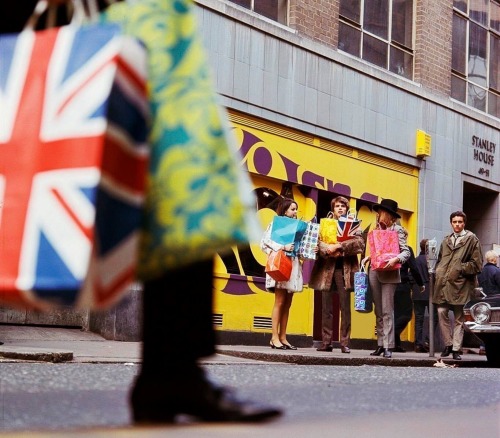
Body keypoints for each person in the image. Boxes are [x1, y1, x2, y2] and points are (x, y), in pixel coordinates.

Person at [2, 0, 281, 424]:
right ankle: (173, 373)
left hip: (146, 23)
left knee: (183, 183)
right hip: (101, 19)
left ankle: (173, 372)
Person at [309, 196, 365, 353]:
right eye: (337, 206)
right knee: (326, 307)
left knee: (345, 307)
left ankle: (344, 342)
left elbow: (360, 243)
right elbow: (316, 241)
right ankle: (326, 342)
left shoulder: (354, 225)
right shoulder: (326, 224)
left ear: (347, 208)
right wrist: (327, 248)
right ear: (333, 209)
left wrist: (340, 246)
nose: (340, 208)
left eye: (343, 206)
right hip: (326, 269)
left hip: (344, 270)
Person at [433, 211, 483, 361]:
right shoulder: (446, 240)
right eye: (454, 222)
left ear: (464, 223)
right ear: (451, 223)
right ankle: (448, 344)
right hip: (443, 284)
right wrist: (439, 271)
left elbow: (477, 265)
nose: (457, 224)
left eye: (460, 222)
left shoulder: (472, 239)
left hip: (461, 286)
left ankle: (456, 348)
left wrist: (459, 268)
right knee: (441, 311)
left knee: (460, 318)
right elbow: (441, 259)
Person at [365, 199, 410, 359]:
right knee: (378, 310)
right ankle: (379, 344)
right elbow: (378, 251)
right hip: (374, 271)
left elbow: (406, 252)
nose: (378, 215)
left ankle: (388, 346)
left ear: (388, 215)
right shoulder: (376, 229)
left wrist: (396, 260)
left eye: (380, 212)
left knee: (387, 309)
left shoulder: (398, 230)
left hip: (390, 272)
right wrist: (368, 258)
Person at [260, 198, 306, 350]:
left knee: (288, 303)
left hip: (293, 265)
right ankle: (274, 338)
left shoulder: (299, 227)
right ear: (285, 210)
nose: (295, 212)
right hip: (281, 264)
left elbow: (300, 247)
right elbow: (264, 243)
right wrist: (283, 247)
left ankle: (283, 337)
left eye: (296, 209)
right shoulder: (275, 224)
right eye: (293, 209)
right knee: (279, 301)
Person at [393, 245, 424, 352]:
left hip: (387, 284)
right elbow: (414, 268)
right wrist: (420, 283)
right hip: (401, 285)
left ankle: (395, 344)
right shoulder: (406, 249)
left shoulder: (388, 246)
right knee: (406, 315)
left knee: (393, 314)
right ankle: (392, 334)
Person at [412, 238, 438, 352]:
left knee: (419, 319)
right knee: (434, 317)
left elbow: (411, 276)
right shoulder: (432, 262)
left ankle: (418, 344)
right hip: (430, 293)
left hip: (417, 293)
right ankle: (428, 340)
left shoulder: (416, 260)